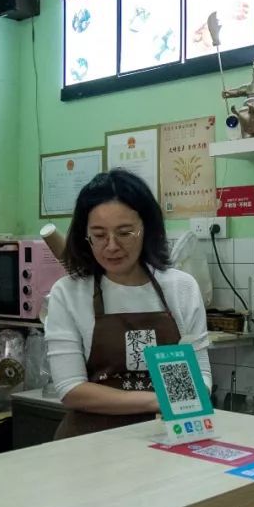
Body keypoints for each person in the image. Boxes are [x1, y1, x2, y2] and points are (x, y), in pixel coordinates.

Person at [44, 168, 212, 439]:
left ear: (147, 229)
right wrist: (157, 401)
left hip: (167, 437)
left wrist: (193, 396)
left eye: (124, 232)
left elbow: (201, 374)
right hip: (89, 444)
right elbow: (71, 389)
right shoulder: (69, 293)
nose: (111, 246)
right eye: (98, 235)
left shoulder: (181, 287)